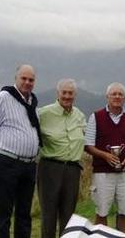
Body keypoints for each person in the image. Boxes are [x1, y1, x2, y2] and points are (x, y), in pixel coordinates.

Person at [0, 64, 41, 238]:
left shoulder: (31, 101)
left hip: (29, 165)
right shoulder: (3, 98)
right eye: (24, 78)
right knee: (4, 212)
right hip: (8, 162)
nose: (27, 82)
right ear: (16, 78)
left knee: (23, 214)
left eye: (31, 80)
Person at [84, 82, 125, 235]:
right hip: (102, 173)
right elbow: (88, 145)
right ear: (107, 97)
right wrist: (105, 155)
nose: (117, 97)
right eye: (114, 94)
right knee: (102, 211)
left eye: (120, 95)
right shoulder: (96, 117)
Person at [37, 78, 86, 238]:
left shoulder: (79, 115)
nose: (67, 96)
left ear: (75, 95)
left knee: (68, 213)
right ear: (57, 94)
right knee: (49, 213)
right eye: (64, 93)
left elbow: (88, 138)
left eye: (70, 93)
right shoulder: (44, 113)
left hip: (73, 169)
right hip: (50, 167)